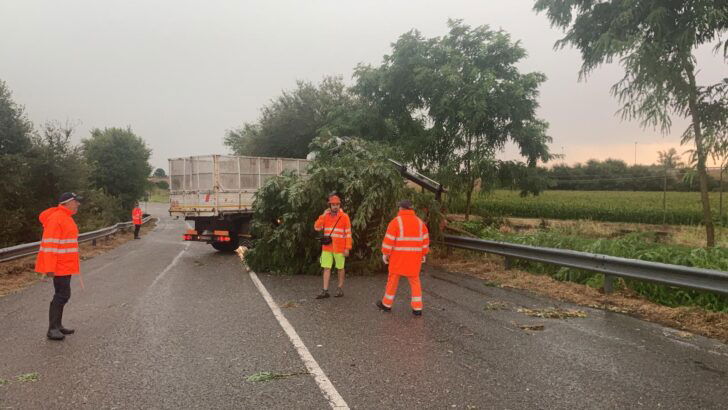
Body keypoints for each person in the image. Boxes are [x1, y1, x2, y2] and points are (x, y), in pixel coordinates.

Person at [35, 192, 82, 340]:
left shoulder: (65, 217)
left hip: (65, 265)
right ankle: (53, 329)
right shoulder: (57, 219)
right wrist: (49, 268)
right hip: (59, 266)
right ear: (66, 203)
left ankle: (58, 326)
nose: (78, 204)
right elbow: (50, 246)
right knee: (62, 295)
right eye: (76, 201)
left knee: (62, 294)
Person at [377, 199, 430, 316]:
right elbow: (425, 241)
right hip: (414, 259)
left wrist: (385, 254)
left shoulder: (395, 222)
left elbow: (388, 241)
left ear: (401, 208)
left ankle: (386, 304)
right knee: (415, 282)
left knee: (392, 281)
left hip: (398, 259)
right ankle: (417, 308)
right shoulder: (420, 223)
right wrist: (423, 254)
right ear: (412, 209)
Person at [313, 194, 352, 299]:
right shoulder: (325, 216)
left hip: (340, 248)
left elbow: (348, 233)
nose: (335, 206)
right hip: (327, 247)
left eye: (337, 204)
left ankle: (340, 289)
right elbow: (317, 227)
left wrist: (347, 248)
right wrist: (322, 215)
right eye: (333, 204)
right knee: (326, 268)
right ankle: (325, 291)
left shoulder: (344, 217)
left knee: (340, 268)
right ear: (329, 206)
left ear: (339, 205)